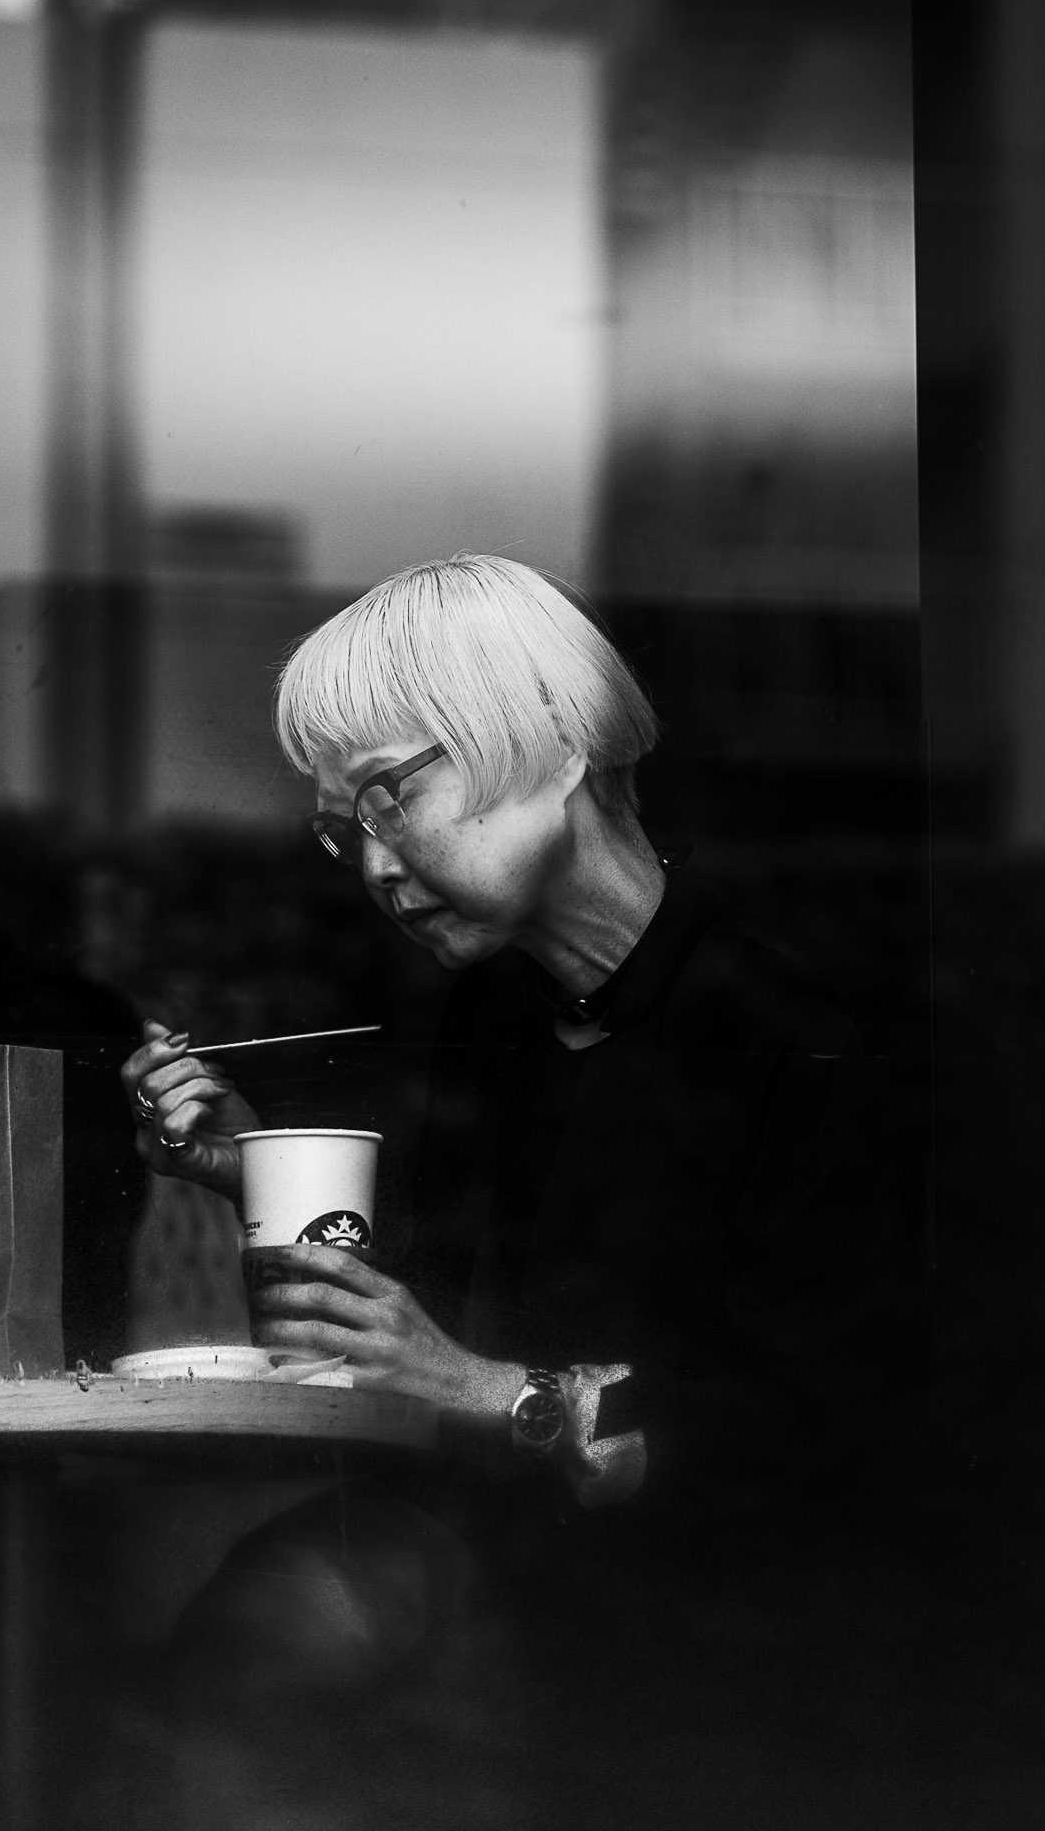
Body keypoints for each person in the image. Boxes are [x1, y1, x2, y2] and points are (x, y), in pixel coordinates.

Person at [120, 553, 918, 1820]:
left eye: (391, 795)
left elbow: (819, 1437)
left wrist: (487, 1392)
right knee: (237, 1646)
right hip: (524, 1572)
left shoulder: (808, 1025)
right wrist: (244, 1169)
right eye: (342, 830)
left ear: (551, 739)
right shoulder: (493, 1024)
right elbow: (444, 1318)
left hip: (747, 1628)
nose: (371, 866)